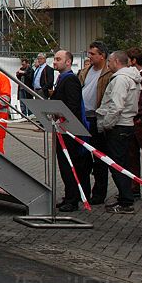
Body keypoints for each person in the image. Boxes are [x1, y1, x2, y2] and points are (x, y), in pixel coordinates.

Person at [96, 50, 142, 213]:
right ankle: (125, 197)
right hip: (125, 125)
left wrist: (106, 124)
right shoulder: (130, 78)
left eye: (109, 61)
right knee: (123, 163)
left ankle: (125, 201)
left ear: (116, 61)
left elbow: (116, 106)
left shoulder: (120, 79)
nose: (107, 65)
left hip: (118, 126)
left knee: (117, 165)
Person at [52, 50, 90, 211]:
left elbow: (73, 106)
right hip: (61, 128)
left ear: (68, 62)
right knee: (64, 165)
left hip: (69, 130)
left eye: (58, 59)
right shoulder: (61, 79)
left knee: (70, 164)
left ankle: (73, 199)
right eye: (54, 59)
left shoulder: (71, 80)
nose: (55, 62)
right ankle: (69, 196)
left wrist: (61, 115)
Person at [79, 40, 114, 204]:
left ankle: (99, 194)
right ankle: (83, 191)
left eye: (93, 54)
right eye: (89, 53)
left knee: (99, 159)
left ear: (102, 55)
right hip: (83, 117)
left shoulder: (109, 74)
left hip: (97, 119)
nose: (89, 56)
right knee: (83, 158)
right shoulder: (85, 71)